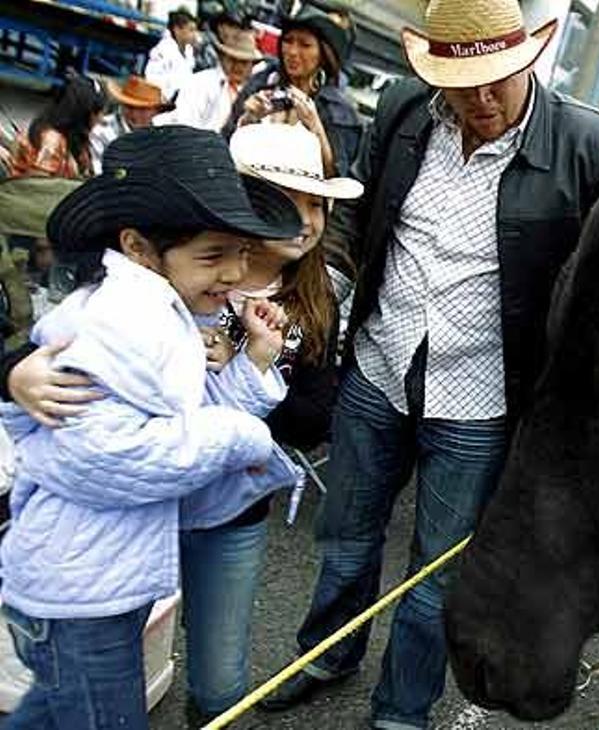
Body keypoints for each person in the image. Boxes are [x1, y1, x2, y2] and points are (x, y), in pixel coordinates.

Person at [255, 0, 599, 726]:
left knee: (433, 580)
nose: (482, 100)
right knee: (345, 540)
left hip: (483, 398)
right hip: (378, 369)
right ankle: (328, 655)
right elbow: (356, 224)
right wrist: (317, 294)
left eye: (498, 80)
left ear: (526, 60)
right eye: (465, 85)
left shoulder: (589, 147)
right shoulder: (403, 114)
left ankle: (401, 711)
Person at [0, 125, 301, 730]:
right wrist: (239, 440)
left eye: (240, 252)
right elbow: (103, 454)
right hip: (79, 593)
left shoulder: (160, 311)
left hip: (93, 582)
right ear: (139, 246)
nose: (234, 272)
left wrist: (254, 363)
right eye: (213, 256)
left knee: (51, 715)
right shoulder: (120, 318)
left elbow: (173, 427)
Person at [176, 120, 363, 724]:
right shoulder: (175, 269)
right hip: (144, 506)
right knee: (115, 666)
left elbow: (316, 416)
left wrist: (253, 361)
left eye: (318, 203)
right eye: (291, 200)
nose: (309, 218)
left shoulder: (318, 295)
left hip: (234, 512)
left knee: (221, 686)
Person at [224, 4, 362, 177]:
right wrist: (247, 119)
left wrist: (315, 127)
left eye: (305, 45)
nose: (292, 52)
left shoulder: (338, 112)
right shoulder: (262, 84)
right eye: (288, 41)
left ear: (324, 54)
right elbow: (225, 143)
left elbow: (336, 179)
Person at [159, 28, 261, 132]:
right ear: (222, 58)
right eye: (233, 60)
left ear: (252, 65)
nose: (238, 66)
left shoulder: (252, 91)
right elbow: (185, 124)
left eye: (244, 63)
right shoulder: (201, 83)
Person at [5, 75, 106, 179]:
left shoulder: (76, 138)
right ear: (85, 114)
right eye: (99, 113)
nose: (101, 118)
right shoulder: (52, 141)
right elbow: (39, 186)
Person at [89, 76, 173, 175]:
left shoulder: (161, 137)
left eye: (142, 110)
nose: (134, 114)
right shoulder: (102, 131)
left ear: (155, 111)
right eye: (129, 107)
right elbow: (97, 174)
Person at [144, 8, 199, 100]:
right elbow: (151, 79)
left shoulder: (189, 50)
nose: (194, 35)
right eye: (191, 30)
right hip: (164, 101)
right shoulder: (162, 49)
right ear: (177, 30)